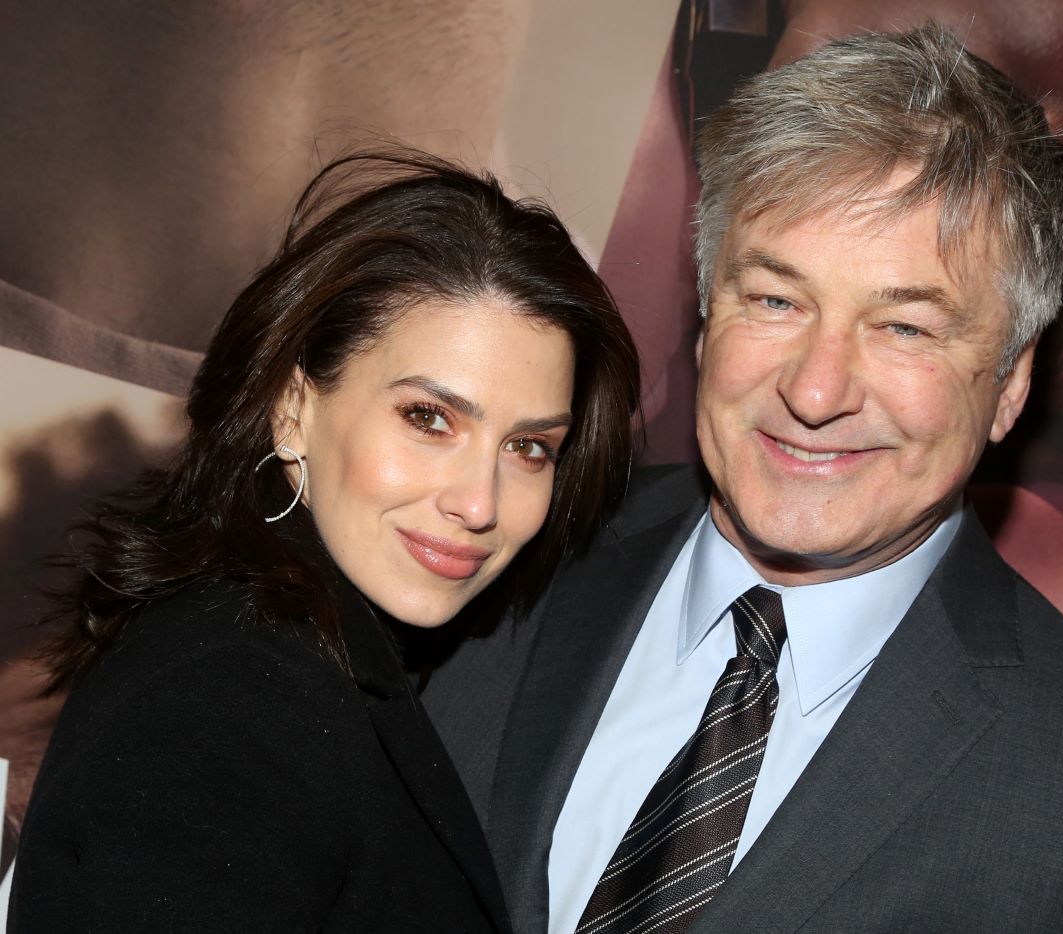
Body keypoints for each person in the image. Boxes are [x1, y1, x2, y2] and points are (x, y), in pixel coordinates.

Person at [423, 26, 1063, 934]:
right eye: (776, 300)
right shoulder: (484, 548)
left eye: (905, 328)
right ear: (706, 316)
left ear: (1010, 385)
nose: (815, 390)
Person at [7, 149, 641, 931]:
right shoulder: (233, 698)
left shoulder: (302, 650)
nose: (480, 503)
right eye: (428, 418)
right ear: (292, 408)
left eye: (529, 447)